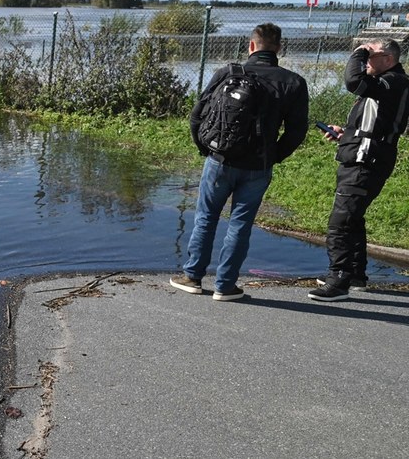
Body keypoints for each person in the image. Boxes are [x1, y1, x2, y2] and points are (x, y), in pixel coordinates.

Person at [170, 23, 309, 301]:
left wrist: (206, 148)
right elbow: (297, 131)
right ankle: (225, 286)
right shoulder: (293, 82)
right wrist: (274, 155)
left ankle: (192, 276)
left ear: (251, 46)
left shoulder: (228, 73)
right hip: (258, 166)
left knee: (206, 217)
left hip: (220, 159)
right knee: (241, 223)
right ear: (279, 49)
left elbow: (197, 115)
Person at [309, 39, 409, 302]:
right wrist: (345, 133)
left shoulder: (394, 82)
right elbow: (371, 124)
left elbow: (353, 82)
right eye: (364, 56)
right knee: (352, 217)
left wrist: (357, 52)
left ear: (388, 59)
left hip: (369, 161)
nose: (365, 62)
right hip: (361, 156)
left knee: (340, 222)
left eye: (370, 56)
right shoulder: (382, 85)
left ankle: (338, 279)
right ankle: (354, 274)